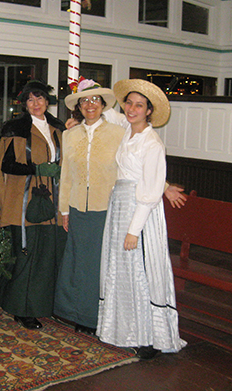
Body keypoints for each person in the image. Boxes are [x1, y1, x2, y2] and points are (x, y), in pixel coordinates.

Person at [97, 79, 187, 359]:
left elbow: (148, 188)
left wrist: (134, 230)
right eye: (129, 103)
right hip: (120, 206)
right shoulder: (128, 132)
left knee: (140, 271)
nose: (132, 108)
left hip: (140, 213)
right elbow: (105, 113)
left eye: (139, 105)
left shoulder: (152, 142)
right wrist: (83, 105)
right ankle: (123, 330)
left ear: (149, 111)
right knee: (121, 270)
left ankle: (148, 337)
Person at [0, 80, 67, 329]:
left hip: (52, 203)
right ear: (25, 104)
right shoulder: (15, 129)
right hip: (22, 202)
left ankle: (44, 304)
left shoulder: (58, 129)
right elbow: (7, 164)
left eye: (40, 99)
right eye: (31, 100)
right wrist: (36, 169)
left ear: (47, 101)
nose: (36, 104)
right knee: (26, 256)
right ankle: (21, 308)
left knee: (47, 256)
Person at [54, 79, 125, 335]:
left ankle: (97, 316)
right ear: (79, 107)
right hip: (76, 209)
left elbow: (133, 169)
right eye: (85, 100)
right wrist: (64, 210)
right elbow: (66, 175)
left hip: (105, 209)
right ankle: (75, 312)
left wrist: (164, 186)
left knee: (98, 265)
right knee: (76, 262)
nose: (90, 105)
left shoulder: (119, 135)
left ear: (103, 104)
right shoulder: (70, 134)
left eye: (95, 100)